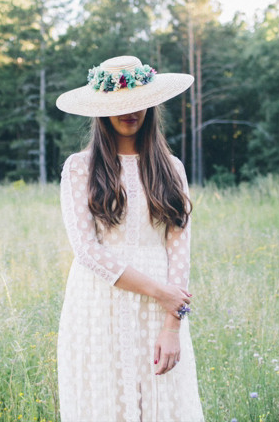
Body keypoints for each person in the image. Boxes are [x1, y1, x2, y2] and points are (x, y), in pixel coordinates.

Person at [55, 55, 205, 421]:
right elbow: (87, 251)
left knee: (162, 402)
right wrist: (163, 293)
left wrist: (173, 323)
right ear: (101, 110)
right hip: (98, 301)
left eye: (138, 102)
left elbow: (179, 251)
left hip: (160, 310)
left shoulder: (172, 169)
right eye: (119, 104)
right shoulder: (80, 168)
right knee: (104, 402)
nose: (130, 112)